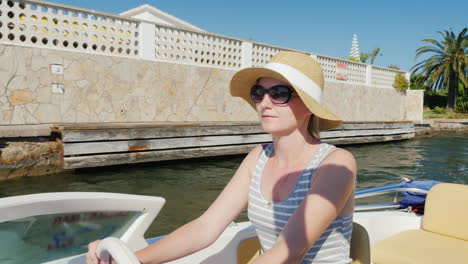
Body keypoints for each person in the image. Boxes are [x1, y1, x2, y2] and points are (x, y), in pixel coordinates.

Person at [87, 51, 356, 264]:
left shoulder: (336, 164)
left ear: (309, 107)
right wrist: (133, 259)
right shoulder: (257, 158)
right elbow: (206, 226)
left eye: (279, 93)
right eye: (258, 93)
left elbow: (290, 251)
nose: (264, 103)